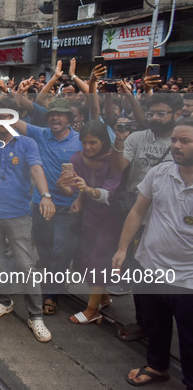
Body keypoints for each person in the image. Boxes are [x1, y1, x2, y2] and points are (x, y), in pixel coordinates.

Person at [112, 117, 193, 388]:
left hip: (188, 278)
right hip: (150, 266)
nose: (176, 146)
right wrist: (123, 248)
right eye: (174, 140)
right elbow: (137, 210)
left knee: (189, 336)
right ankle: (157, 367)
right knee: (155, 325)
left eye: (185, 141)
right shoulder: (159, 174)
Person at [0, 98, 54, 342]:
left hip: (18, 214)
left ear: (15, 118)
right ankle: (4, 302)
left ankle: (35, 316)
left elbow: (37, 169)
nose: (0, 122)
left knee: (27, 266)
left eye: (5, 117)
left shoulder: (27, 143)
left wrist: (46, 195)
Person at [109, 93, 183, 341]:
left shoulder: (184, 143)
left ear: (177, 114)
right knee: (138, 274)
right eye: (151, 113)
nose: (155, 118)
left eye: (162, 113)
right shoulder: (138, 137)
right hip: (136, 216)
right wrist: (120, 141)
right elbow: (119, 168)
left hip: (171, 223)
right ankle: (144, 322)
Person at [13, 97, 83, 315]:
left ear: (68, 119)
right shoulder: (40, 134)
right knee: (43, 247)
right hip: (41, 205)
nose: (55, 117)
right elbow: (14, 121)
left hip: (68, 207)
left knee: (61, 250)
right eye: (52, 114)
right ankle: (50, 278)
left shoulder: (81, 141)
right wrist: (15, 97)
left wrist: (81, 197)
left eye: (60, 114)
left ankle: (52, 294)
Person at [57, 121, 122, 324]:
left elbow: (110, 194)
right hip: (88, 216)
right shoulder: (77, 158)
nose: (87, 147)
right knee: (84, 260)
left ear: (104, 141)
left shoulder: (115, 160)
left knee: (98, 260)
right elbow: (71, 190)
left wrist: (87, 190)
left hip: (111, 217)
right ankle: (103, 297)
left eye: (92, 142)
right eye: (84, 142)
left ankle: (92, 310)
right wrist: (62, 186)